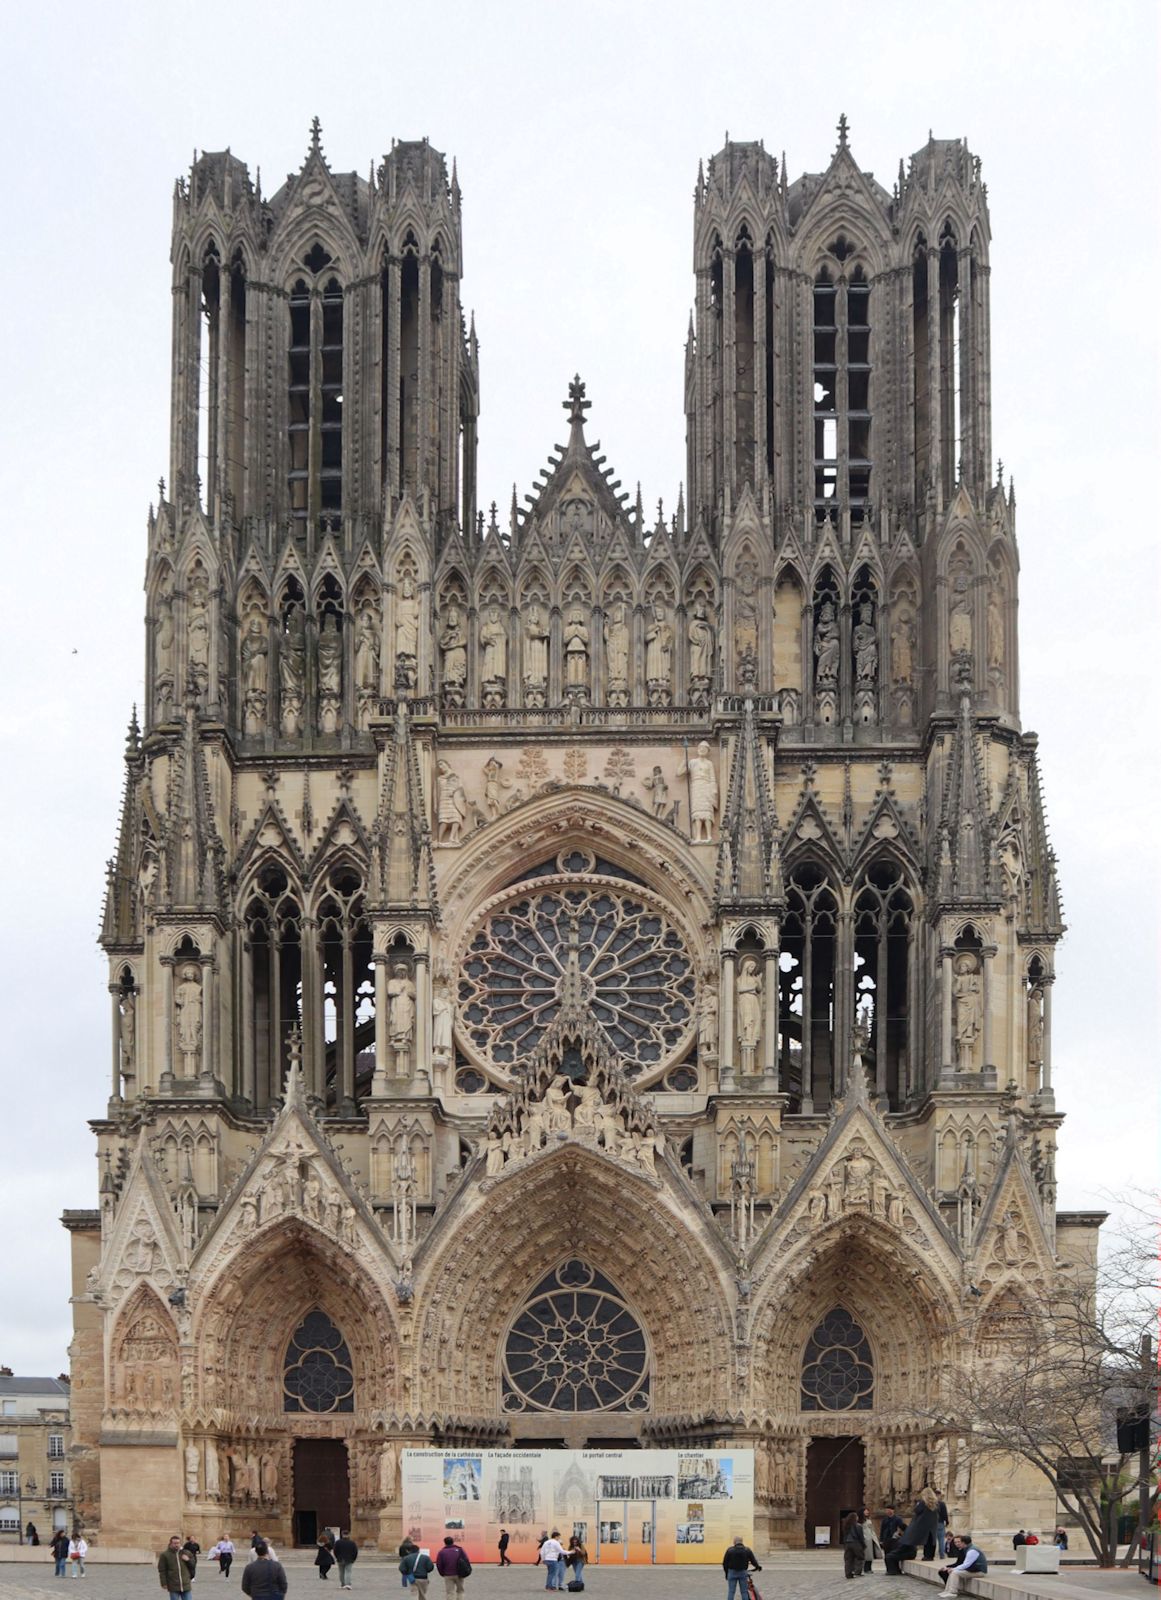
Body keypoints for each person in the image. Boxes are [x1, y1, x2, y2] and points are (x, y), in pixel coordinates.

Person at [936, 1533, 987, 1598]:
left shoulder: (972, 1550)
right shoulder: (968, 1549)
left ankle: (952, 1592)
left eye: (959, 1542)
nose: (957, 1544)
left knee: (954, 1572)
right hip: (974, 1570)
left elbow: (966, 1564)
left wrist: (953, 1569)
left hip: (979, 1572)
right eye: (956, 1542)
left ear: (963, 1543)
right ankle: (947, 1591)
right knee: (953, 1571)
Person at [899, 1487, 940, 1562]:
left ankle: (926, 1556)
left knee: (926, 1540)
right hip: (932, 1524)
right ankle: (930, 1556)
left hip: (923, 1524)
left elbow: (917, 1511)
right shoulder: (936, 1503)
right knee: (931, 1540)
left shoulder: (922, 1503)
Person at [722, 1534, 762, 1600]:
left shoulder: (729, 1550)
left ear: (734, 1542)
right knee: (744, 1592)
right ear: (742, 1541)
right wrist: (757, 1567)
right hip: (743, 1572)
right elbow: (753, 1561)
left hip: (732, 1572)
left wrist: (726, 1573)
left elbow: (724, 1563)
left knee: (731, 1591)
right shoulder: (747, 1550)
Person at [434, 1533, 470, 1600]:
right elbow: (466, 1560)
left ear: (445, 1543)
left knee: (450, 1592)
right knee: (460, 1591)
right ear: (453, 1542)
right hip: (460, 1574)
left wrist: (442, 1573)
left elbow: (439, 1564)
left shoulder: (441, 1552)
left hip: (448, 1575)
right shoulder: (460, 1550)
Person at [158, 1535, 195, 1600]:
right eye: (174, 1543)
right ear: (170, 1544)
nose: (176, 1545)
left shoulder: (186, 1553)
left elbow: (193, 1565)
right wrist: (163, 1583)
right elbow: (162, 1570)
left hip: (185, 1584)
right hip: (173, 1585)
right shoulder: (165, 1555)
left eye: (178, 1543)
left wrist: (188, 1560)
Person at [841, 1512, 866, 1579]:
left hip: (847, 1543)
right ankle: (857, 1572)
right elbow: (861, 1537)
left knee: (848, 1559)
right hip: (856, 1543)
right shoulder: (858, 1526)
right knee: (860, 1557)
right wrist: (863, 1545)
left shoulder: (846, 1525)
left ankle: (848, 1573)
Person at [859, 1508, 882, 1573]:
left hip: (871, 1538)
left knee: (870, 1554)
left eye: (867, 1512)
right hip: (865, 1538)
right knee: (866, 1554)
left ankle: (869, 1568)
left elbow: (872, 1529)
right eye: (865, 1511)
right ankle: (866, 1568)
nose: (867, 1512)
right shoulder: (860, 1521)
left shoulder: (869, 1520)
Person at [935, 1491, 950, 1558]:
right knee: (941, 1539)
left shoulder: (930, 1503)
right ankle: (942, 1554)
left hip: (932, 1524)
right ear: (938, 1495)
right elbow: (945, 1514)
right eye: (940, 1496)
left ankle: (931, 1553)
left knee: (932, 1539)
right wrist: (947, 1522)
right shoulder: (941, 1503)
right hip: (940, 1523)